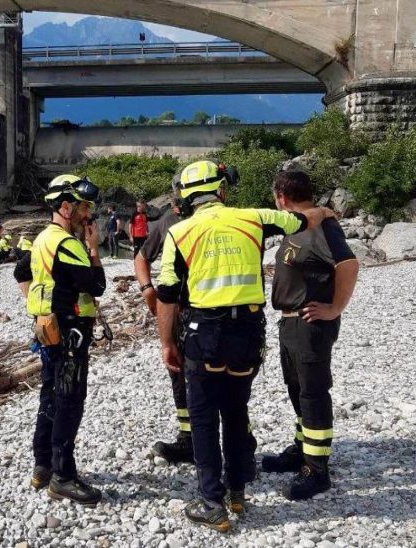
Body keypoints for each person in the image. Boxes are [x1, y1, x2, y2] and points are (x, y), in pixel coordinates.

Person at [156, 160, 336, 532]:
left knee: (204, 417)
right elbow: (302, 219)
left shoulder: (180, 232)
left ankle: (212, 502)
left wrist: (165, 343)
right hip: (247, 332)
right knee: (236, 410)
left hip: (203, 333)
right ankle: (237, 490)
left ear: (188, 197)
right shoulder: (253, 217)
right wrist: (323, 210)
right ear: (222, 189)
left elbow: (167, 296)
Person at [263, 170, 358, 500]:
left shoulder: (321, 226)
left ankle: (317, 470)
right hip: (290, 321)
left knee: (313, 393)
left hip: (311, 324)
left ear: (282, 197)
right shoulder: (298, 224)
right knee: (296, 388)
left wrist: (334, 308)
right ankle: (302, 449)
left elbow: (348, 263)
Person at [25, 173, 106, 505]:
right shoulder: (67, 243)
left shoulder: (43, 238)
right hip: (69, 330)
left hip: (47, 326)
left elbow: (23, 274)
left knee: (50, 393)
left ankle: (42, 465)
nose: (88, 215)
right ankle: (63, 476)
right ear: (67, 206)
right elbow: (96, 285)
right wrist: (94, 249)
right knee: (69, 400)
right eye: (84, 207)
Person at [134, 178, 194, 463]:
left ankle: (239, 443)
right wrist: (148, 290)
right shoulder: (168, 222)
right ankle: (188, 438)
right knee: (179, 374)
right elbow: (141, 258)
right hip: (180, 310)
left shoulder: (221, 218)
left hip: (214, 311)